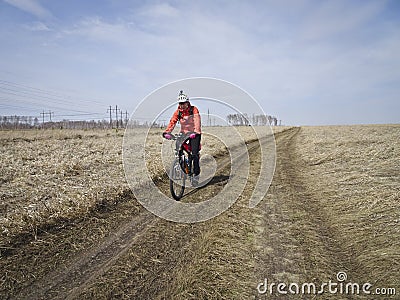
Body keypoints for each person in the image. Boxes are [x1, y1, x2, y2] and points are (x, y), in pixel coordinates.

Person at [163, 91, 202, 186]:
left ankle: (196, 174)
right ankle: (182, 165)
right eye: (180, 103)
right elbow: (172, 121)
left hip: (194, 133)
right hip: (184, 132)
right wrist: (167, 132)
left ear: (187, 102)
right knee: (178, 148)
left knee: (194, 153)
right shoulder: (178, 112)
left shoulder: (193, 110)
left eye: (183, 103)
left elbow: (197, 120)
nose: (182, 105)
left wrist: (196, 132)